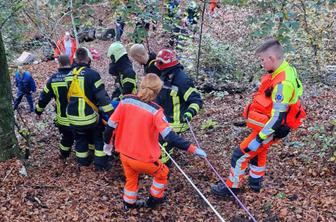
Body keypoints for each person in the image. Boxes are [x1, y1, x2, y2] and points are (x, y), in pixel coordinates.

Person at [211, 39, 306, 197]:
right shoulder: (284, 69)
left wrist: (260, 138)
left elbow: (277, 118)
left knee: (240, 154)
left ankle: (232, 188)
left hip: (271, 128)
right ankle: (255, 184)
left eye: (262, 59)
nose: (261, 63)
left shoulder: (283, 83)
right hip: (268, 125)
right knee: (258, 153)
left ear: (272, 59)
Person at [103, 74, 207, 209]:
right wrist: (193, 149)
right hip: (143, 158)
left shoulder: (125, 101)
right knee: (163, 173)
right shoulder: (156, 112)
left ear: (141, 85)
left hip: (124, 154)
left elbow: (110, 126)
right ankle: (155, 199)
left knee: (131, 178)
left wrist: (107, 144)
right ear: (158, 92)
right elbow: (170, 137)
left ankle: (129, 203)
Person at [65, 48, 114, 171]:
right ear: (88, 59)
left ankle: (83, 162)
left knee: (80, 138)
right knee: (98, 137)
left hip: (73, 118)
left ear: (75, 59)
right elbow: (102, 97)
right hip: (90, 117)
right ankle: (100, 164)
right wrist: (112, 114)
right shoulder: (93, 74)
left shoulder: (68, 75)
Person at [155, 49, 203, 166]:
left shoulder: (182, 80)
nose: (158, 66)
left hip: (177, 120)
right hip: (164, 116)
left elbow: (196, 100)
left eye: (160, 63)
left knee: (162, 141)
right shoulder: (165, 75)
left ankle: (164, 168)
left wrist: (189, 113)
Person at [35, 55, 74, 159]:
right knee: (82, 138)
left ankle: (64, 156)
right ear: (70, 62)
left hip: (64, 119)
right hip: (81, 117)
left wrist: (38, 111)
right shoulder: (78, 75)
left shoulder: (54, 79)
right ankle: (84, 159)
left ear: (59, 64)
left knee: (66, 138)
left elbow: (44, 98)